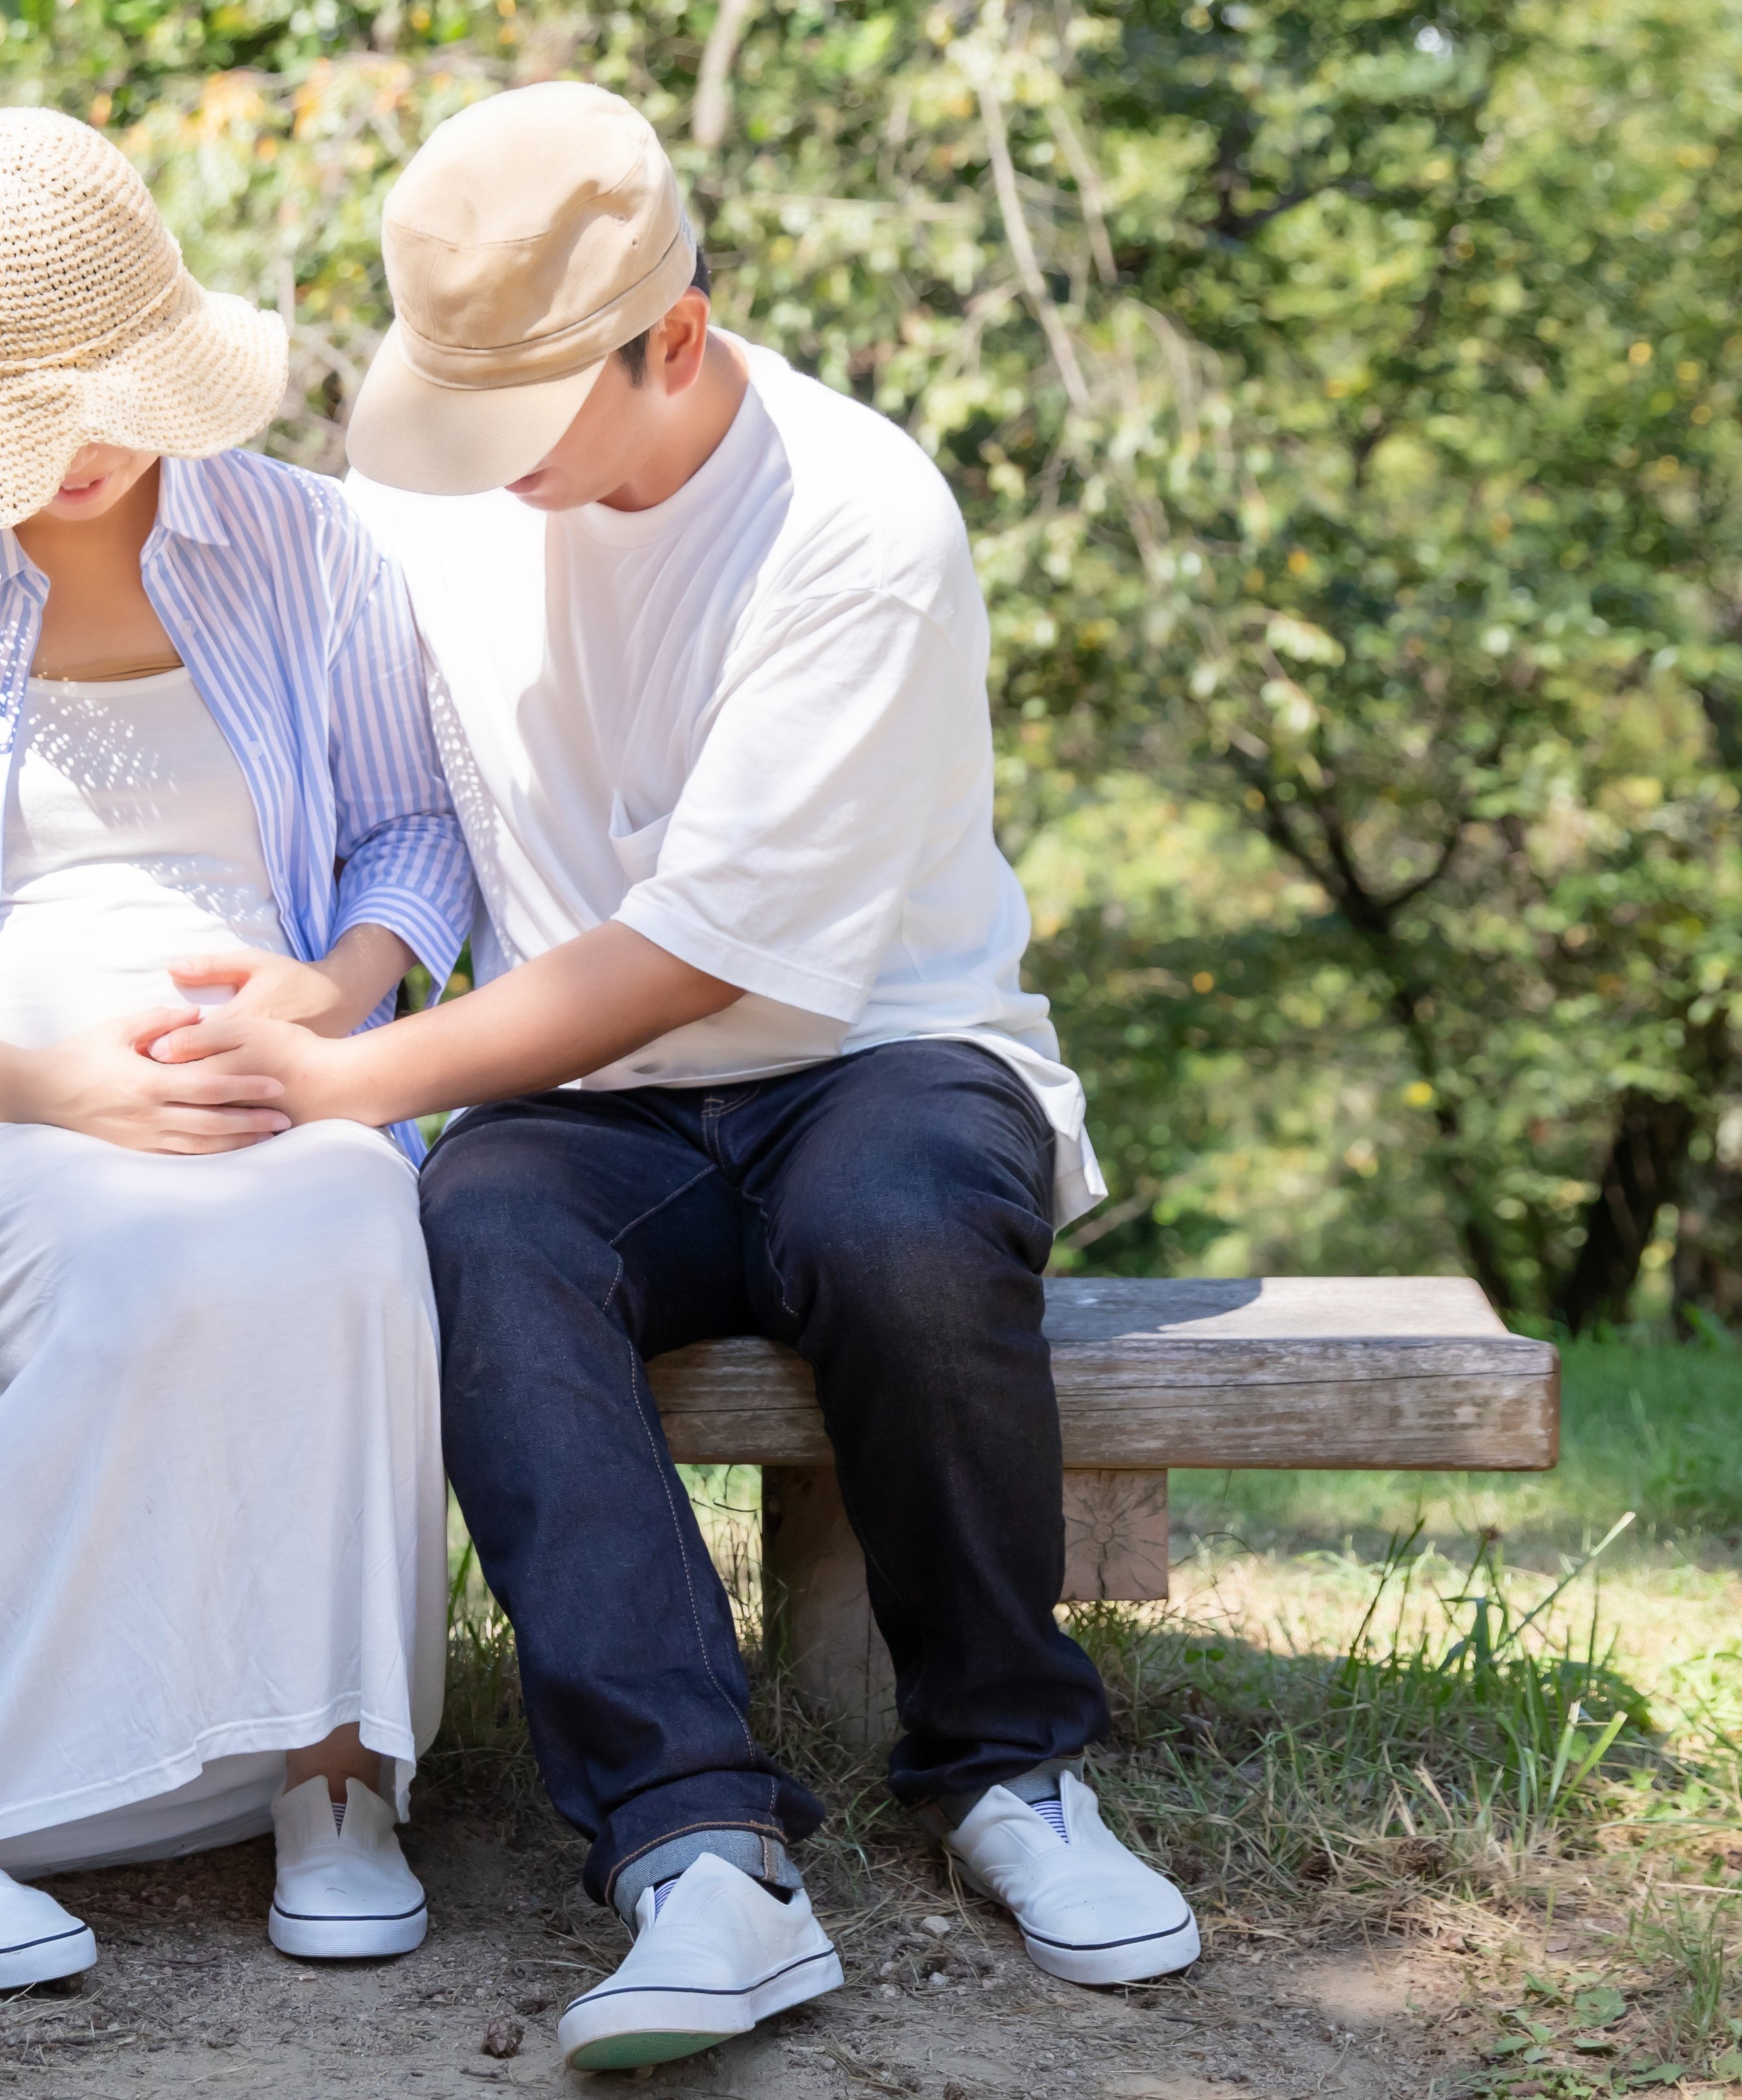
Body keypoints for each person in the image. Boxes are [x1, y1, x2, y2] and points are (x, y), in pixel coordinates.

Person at [153, 82, 1199, 2071]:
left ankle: (1008, 1766)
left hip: (875, 1043)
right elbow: (418, 803)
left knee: (899, 1230)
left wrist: (351, 1076)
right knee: (478, 1234)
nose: (494, 474)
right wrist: (345, 972)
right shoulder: (434, 492)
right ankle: (696, 1847)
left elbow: (704, 952)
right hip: (587, 1098)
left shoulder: (859, 523)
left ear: (681, 343)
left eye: (533, 425)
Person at [0, 107, 474, 1992]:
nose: (71, 454)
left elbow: (414, 829)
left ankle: (328, 1764)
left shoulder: (305, 547)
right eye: (19, 422)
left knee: (363, 1220)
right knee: (151, 1260)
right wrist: (62, 1087)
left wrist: (335, 987)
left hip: (270, 1078)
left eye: (107, 400)